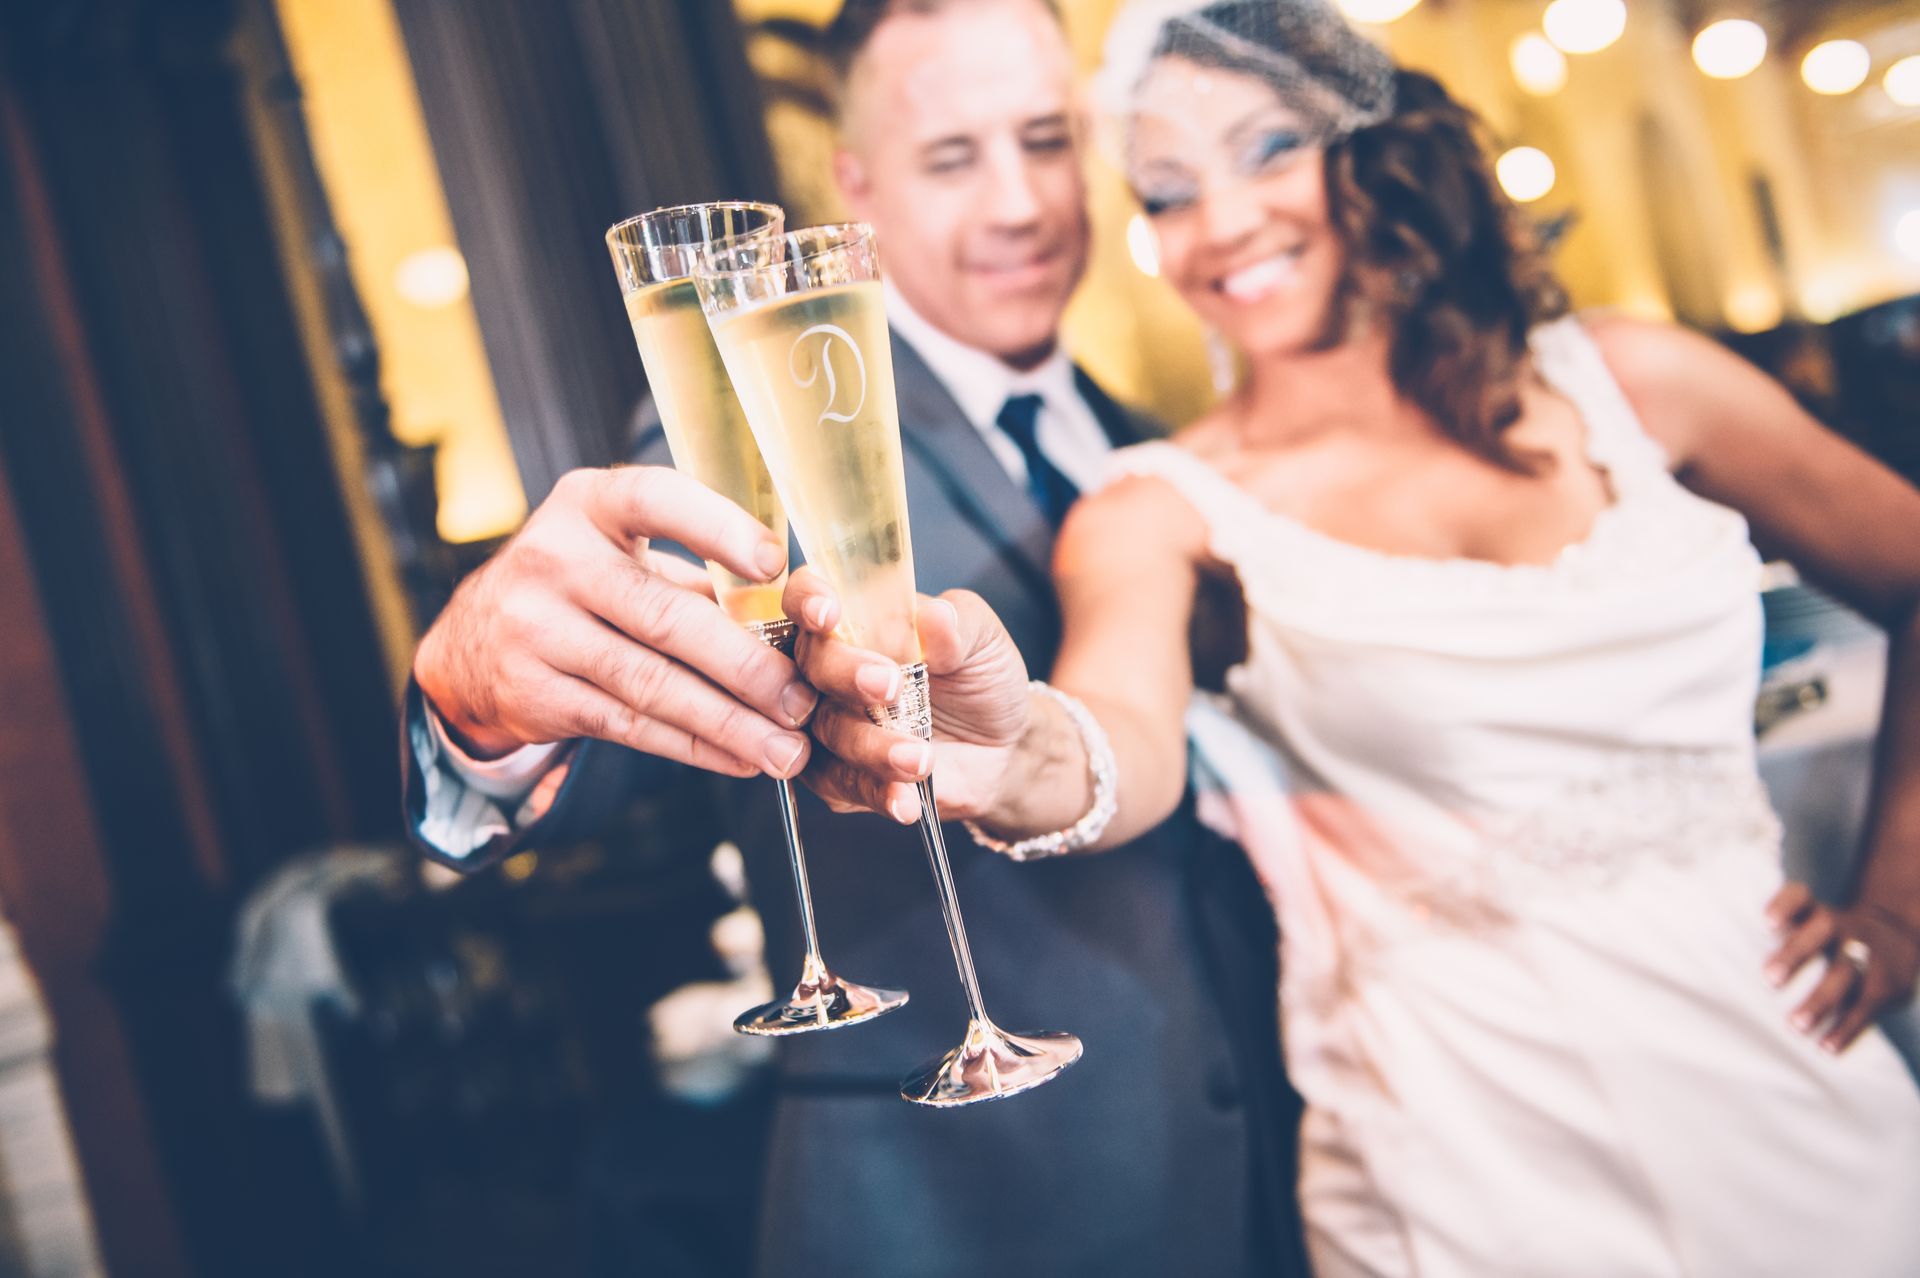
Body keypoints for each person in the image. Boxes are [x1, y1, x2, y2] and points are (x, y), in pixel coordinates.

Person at [783, 1, 1920, 1274]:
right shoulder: (1153, 507)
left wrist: (1900, 908)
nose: (1220, 222)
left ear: (1368, 147)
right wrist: (1012, 755)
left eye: (1267, 150)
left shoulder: (1633, 378)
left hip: (1788, 1075)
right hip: (1467, 1167)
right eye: (1167, 193)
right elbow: (1122, 737)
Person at [403, 1, 1306, 1274]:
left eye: (1045, 140)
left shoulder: (1151, 441)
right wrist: (474, 701)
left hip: (1253, 1182)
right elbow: (614, 705)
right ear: (858, 186)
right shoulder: (757, 416)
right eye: (953, 157)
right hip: (954, 1211)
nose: (1019, 203)